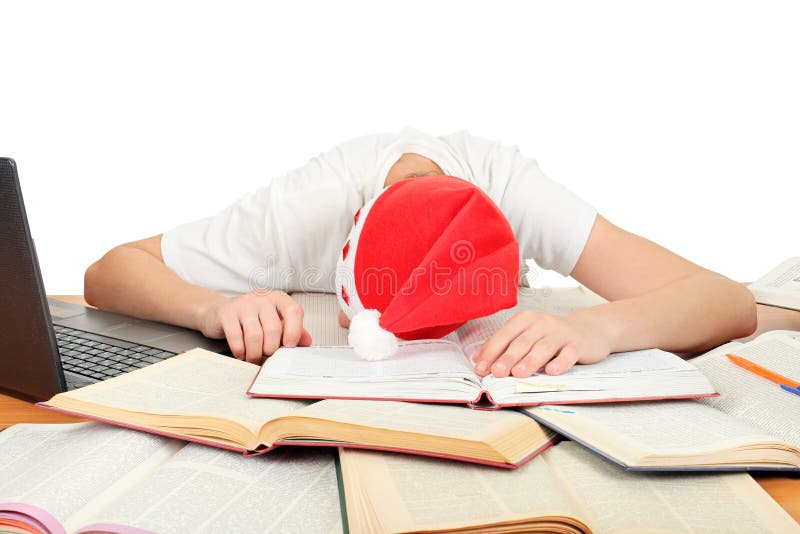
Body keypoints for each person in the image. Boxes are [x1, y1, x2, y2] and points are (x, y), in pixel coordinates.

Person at [84, 128, 757, 378]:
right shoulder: (307, 206)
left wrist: (595, 327)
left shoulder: (512, 192)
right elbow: (109, 270)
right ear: (348, 238)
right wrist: (212, 309)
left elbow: (729, 301)